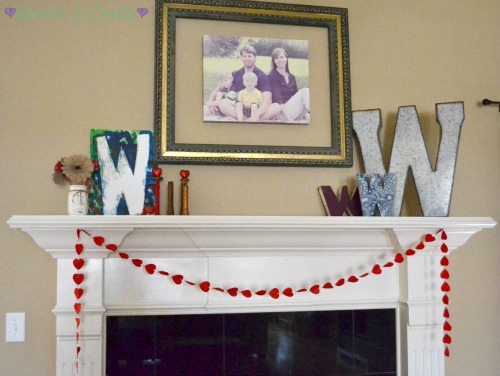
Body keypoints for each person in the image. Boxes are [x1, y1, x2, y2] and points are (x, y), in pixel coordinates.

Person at [218, 45, 278, 122]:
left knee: (276, 107)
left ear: (255, 58)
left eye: (250, 56)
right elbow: (220, 86)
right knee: (222, 103)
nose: (247, 59)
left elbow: (268, 99)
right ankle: (250, 121)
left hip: (256, 109)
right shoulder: (236, 74)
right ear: (241, 58)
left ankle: (249, 120)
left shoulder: (262, 76)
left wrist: (255, 116)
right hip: (240, 109)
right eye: (244, 56)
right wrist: (210, 100)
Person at [268, 47, 310, 123]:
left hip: (292, 110)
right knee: (305, 91)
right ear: (274, 61)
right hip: (281, 113)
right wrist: (288, 117)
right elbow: (278, 100)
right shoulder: (272, 76)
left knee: (305, 93)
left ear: (286, 58)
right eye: (277, 58)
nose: (280, 60)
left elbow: (297, 96)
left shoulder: (292, 77)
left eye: (282, 57)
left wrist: (306, 114)